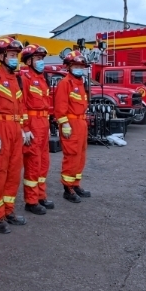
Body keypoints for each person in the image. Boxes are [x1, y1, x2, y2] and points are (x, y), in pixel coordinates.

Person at [0, 37, 30, 233]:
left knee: (13, 173)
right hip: (1, 129)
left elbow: (21, 108)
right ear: (1, 57)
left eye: (16, 56)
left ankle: (8, 210)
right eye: (12, 55)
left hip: (14, 129)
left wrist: (23, 128)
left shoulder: (16, 79)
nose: (15, 59)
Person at [20, 44, 54, 213]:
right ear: (29, 61)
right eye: (38, 59)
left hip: (43, 122)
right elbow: (23, 106)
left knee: (43, 163)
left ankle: (41, 195)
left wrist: (47, 126)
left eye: (42, 59)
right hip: (33, 123)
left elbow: (46, 105)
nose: (41, 62)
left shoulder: (42, 79)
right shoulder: (25, 78)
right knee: (33, 163)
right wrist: (25, 128)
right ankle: (31, 201)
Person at [54, 51, 90, 203]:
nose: (79, 68)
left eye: (81, 66)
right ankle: (67, 188)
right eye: (75, 66)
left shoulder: (80, 83)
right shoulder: (65, 83)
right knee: (71, 155)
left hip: (81, 123)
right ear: (68, 67)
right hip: (71, 123)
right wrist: (65, 124)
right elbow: (60, 107)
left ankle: (75, 184)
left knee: (80, 155)